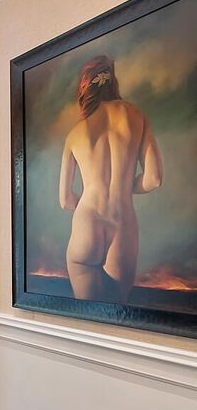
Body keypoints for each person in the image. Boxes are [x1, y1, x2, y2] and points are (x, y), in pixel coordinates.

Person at [59, 55, 163, 303]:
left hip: (86, 224)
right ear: (113, 81)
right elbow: (154, 179)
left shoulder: (75, 133)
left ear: (86, 86)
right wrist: (126, 186)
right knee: (117, 319)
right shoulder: (136, 116)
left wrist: (87, 202)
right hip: (122, 225)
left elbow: (64, 200)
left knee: (86, 321)